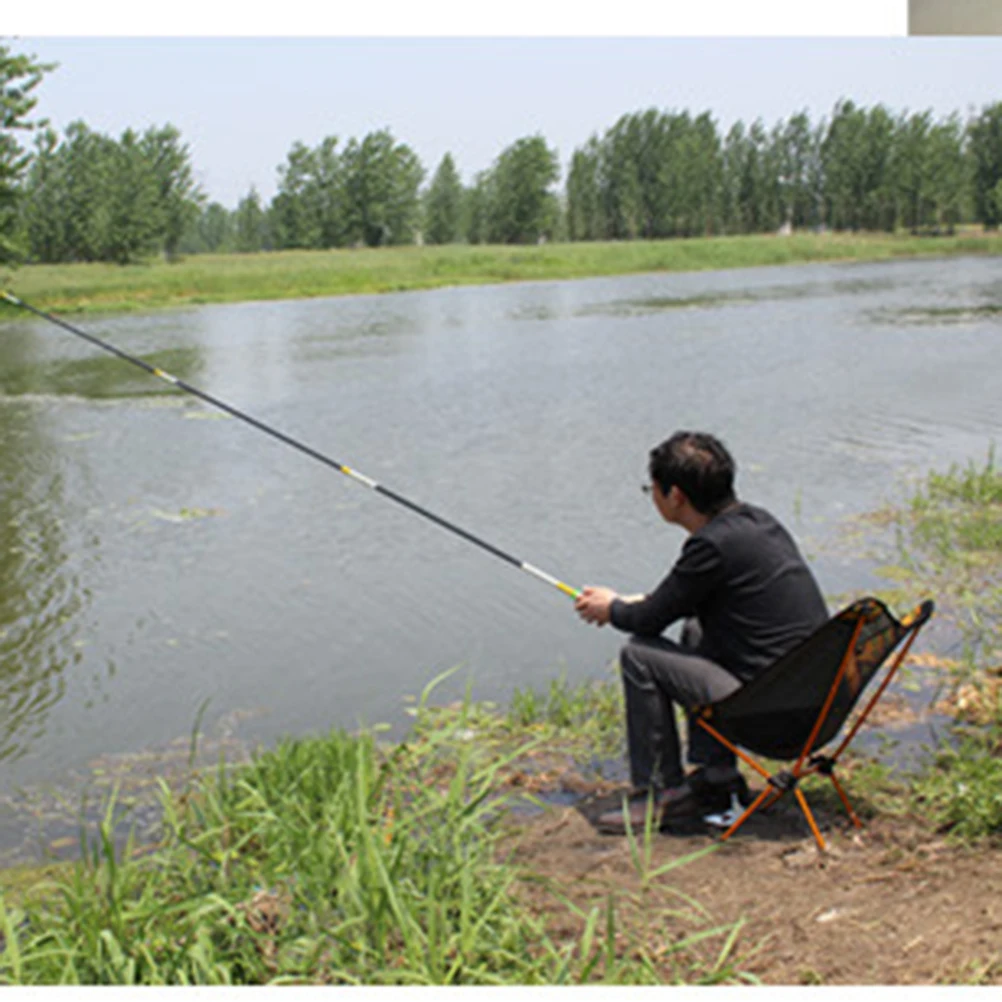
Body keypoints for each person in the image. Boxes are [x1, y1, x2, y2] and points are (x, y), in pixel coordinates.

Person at [574, 430, 828, 835]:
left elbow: (649, 621)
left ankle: (661, 795)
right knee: (696, 629)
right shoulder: (757, 523)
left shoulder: (710, 547)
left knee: (639, 654)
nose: (652, 496)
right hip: (818, 707)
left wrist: (612, 609)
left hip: (779, 720)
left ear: (675, 496)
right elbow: (680, 600)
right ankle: (715, 778)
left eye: (651, 489)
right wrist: (625, 602)